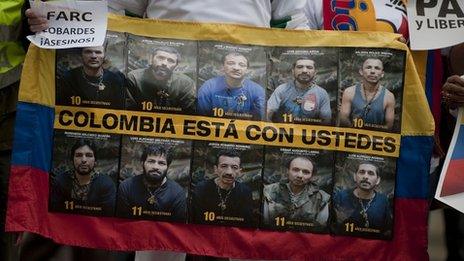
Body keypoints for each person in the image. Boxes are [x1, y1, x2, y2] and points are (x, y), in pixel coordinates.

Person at [116, 144, 186, 222]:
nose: (155, 167)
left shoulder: (177, 193)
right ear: (142, 163)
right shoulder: (126, 187)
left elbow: (177, 228)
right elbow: (122, 223)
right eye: (151, 161)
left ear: (168, 167)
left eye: (161, 163)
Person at [50, 140, 116, 216]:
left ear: (95, 161)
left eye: (89, 155)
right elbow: (55, 213)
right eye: (78, 155)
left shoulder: (106, 184)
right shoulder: (60, 181)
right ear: (72, 160)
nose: (84, 160)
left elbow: (107, 216)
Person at [263, 156, 330, 229]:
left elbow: (320, 227)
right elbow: (266, 222)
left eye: (306, 172)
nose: (300, 175)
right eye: (295, 170)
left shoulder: (322, 198)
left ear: (312, 176)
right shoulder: (270, 190)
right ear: (287, 171)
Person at [190, 150, 253, 226]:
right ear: (216, 169)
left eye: (234, 167)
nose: (229, 172)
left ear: (239, 172)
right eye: (224, 166)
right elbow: (195, 221)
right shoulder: (201, 189)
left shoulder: (245, 192)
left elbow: (246, 223)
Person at [197, 52, 265, 120]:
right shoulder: (208, 87)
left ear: (247, 69)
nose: (236, 68)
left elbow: (260, 120)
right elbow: (200, 118)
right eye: (231, 63)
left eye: (242, 65)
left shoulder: (257, 91)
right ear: (223, 66)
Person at [127, 46, 196, 112]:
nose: (164, 63)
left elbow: (188, 112)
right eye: (160, 58)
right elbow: (128, 110)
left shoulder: (186, 83)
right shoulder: (134, 78)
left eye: (171, 61)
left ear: (176, 66)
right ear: (151, 59)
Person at [57, 46, 127, 109]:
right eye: (88, 52)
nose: (93, 56)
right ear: (81, 55)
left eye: (98, 52)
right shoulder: (68, 78)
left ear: (104, 56)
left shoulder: (115, 80)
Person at [267, 57, 331, 124]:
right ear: (293, 71)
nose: (304, 71)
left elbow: (326, 122)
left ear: (315, 72)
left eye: (309, 67)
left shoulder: (322, 94)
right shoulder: (281, 90)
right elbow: (267, 114)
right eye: (300, 67)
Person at [333, 161, 392, 232]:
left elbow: (387, 230)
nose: (365, 177)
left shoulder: (383, 200)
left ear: (378, 180)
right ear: (355, 177)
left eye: (371, 173)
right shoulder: (341, 196)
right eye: (362, 172)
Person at [339, 58, 395, 130]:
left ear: (382, 74)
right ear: (361, 71)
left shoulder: (389, 96)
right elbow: (343, 118)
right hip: (353, 136)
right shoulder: (349, 92)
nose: (372, 71)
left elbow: (389, 125)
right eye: (368, 67)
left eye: (377, 68)